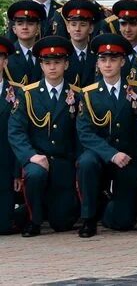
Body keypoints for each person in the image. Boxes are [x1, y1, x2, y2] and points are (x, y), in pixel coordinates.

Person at [8, 36, 80, 236]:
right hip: (37, 158)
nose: (52, 67)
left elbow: (80, 133)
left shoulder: (77, 95)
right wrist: (31, 156)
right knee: (34, 174)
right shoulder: (27, 94)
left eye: (57, 62)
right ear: (41, 65)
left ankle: (46, 209)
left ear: (66, 64)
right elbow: (16, 131)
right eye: (47, 63)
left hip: (64, 162)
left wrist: (78, 164)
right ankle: (34, 219)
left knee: (62, 223)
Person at [75, 34, 137, 236]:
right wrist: (111, 154)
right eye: (103, 59)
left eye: (113, 59)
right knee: (86, 163)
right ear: (97, 62)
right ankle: (88, 219)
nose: (108, 64)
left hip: (128, 155)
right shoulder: (88, 93)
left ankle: (108, 208)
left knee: (123, 222)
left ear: (122, 62)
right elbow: (85, 132)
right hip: (99, 153)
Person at [0, 38, 22, 235]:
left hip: (5, 168)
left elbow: (20, 134)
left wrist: (17, 172)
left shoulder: (17, 93)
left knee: (3, 227)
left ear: (5, 62)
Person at [60, 0, 103, 87]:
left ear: (91, 28)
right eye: (73, 24)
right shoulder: (60, 53)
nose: (77, 29)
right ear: (68, 28)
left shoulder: (98, 53)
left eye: (83, 25)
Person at [6, 1, 47, 85]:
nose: (25, 27)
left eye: (30, 24)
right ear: (14, 29)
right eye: (20, 24)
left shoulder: (45, 54)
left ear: (38, 28)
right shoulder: (7, 55)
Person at [111, 0, 137, 71]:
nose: (127, 29)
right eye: (123, 24)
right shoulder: (110, 54)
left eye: (133, 24)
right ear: (119, 26)